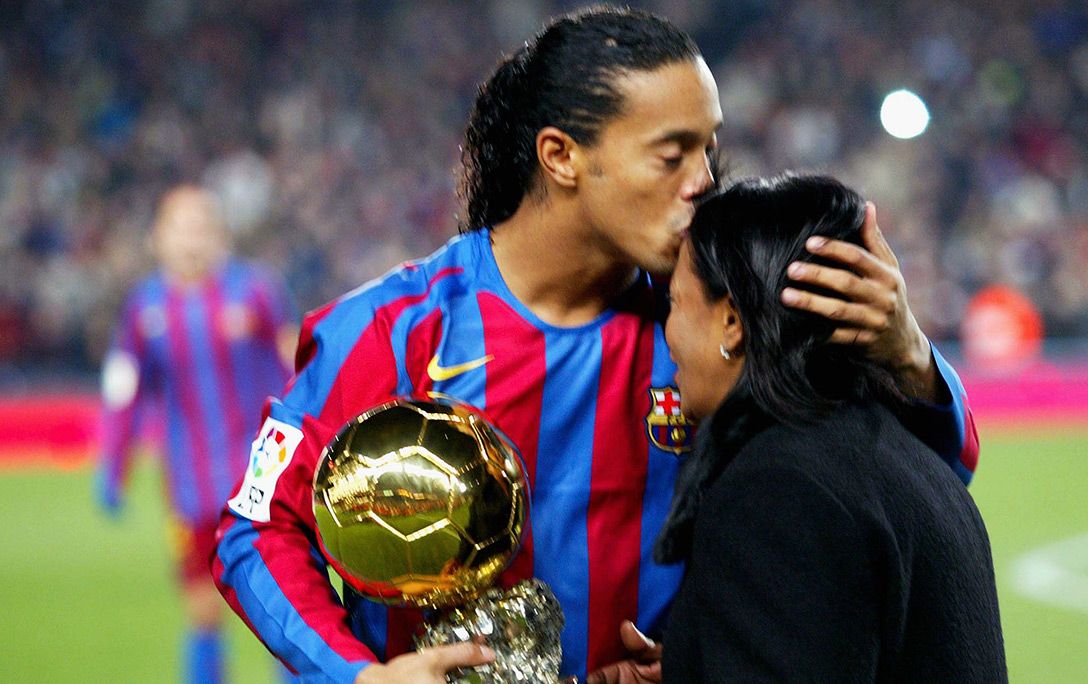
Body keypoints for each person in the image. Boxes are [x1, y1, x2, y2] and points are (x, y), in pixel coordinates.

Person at [212, 7, 980, 683]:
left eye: (709, 149)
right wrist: (355, 677)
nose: (704, 181)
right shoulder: (394, 330)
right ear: (562, 157)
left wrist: (910, 356)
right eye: (671, 153)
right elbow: (256, 527)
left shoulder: (710, 328)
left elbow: (914, 485)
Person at [657, 173, 1005, 682]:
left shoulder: (774, 492)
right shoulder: (920, 465)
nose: (667, 336)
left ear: (733, 320)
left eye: (674, 302)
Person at [96, 185, 300, 684]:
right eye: (180, 227)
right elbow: (126, 388)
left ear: (220, 235)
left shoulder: (255, 291)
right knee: (201, 609)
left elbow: (298, 363)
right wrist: (113, 463)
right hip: (188, 486)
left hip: (263, 478)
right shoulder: (145, 308)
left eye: (201, 226)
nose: (191, 238)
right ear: (157, 239)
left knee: (281, 606)